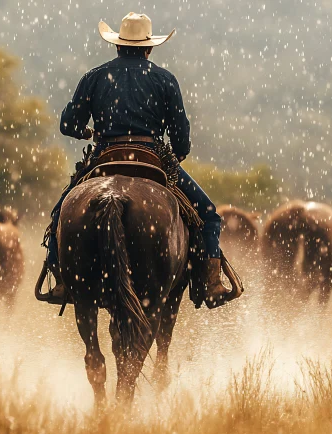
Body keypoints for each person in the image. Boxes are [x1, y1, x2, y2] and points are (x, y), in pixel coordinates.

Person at [40, 13, 239, 308]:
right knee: (208, 214)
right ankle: (210, 283)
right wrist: (178, 152)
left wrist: (86, 133)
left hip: (104, 157)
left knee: (60, 214)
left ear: (118, 46)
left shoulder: (94, 77)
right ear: (149, 48)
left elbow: (68, 124)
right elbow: (180, 134)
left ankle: (61, 281)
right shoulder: (164, 79)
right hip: (152, 156)